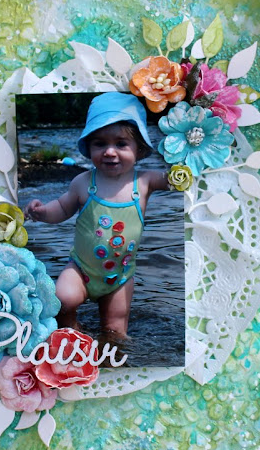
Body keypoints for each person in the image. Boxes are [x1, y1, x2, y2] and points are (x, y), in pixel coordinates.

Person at [25, 92, 168, 344]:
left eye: (121, 144)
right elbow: (62, 208)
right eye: (100, 144)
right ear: (89, 147)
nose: (110, 152)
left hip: (120, 277)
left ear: (139, 148)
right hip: (81, 269)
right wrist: (42, 212)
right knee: (62, 299)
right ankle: (72, 331)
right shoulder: (83, 182)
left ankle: (110, 356)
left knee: (115, 329)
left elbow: (178, 179)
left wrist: (188, 155)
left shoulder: (145, 181)